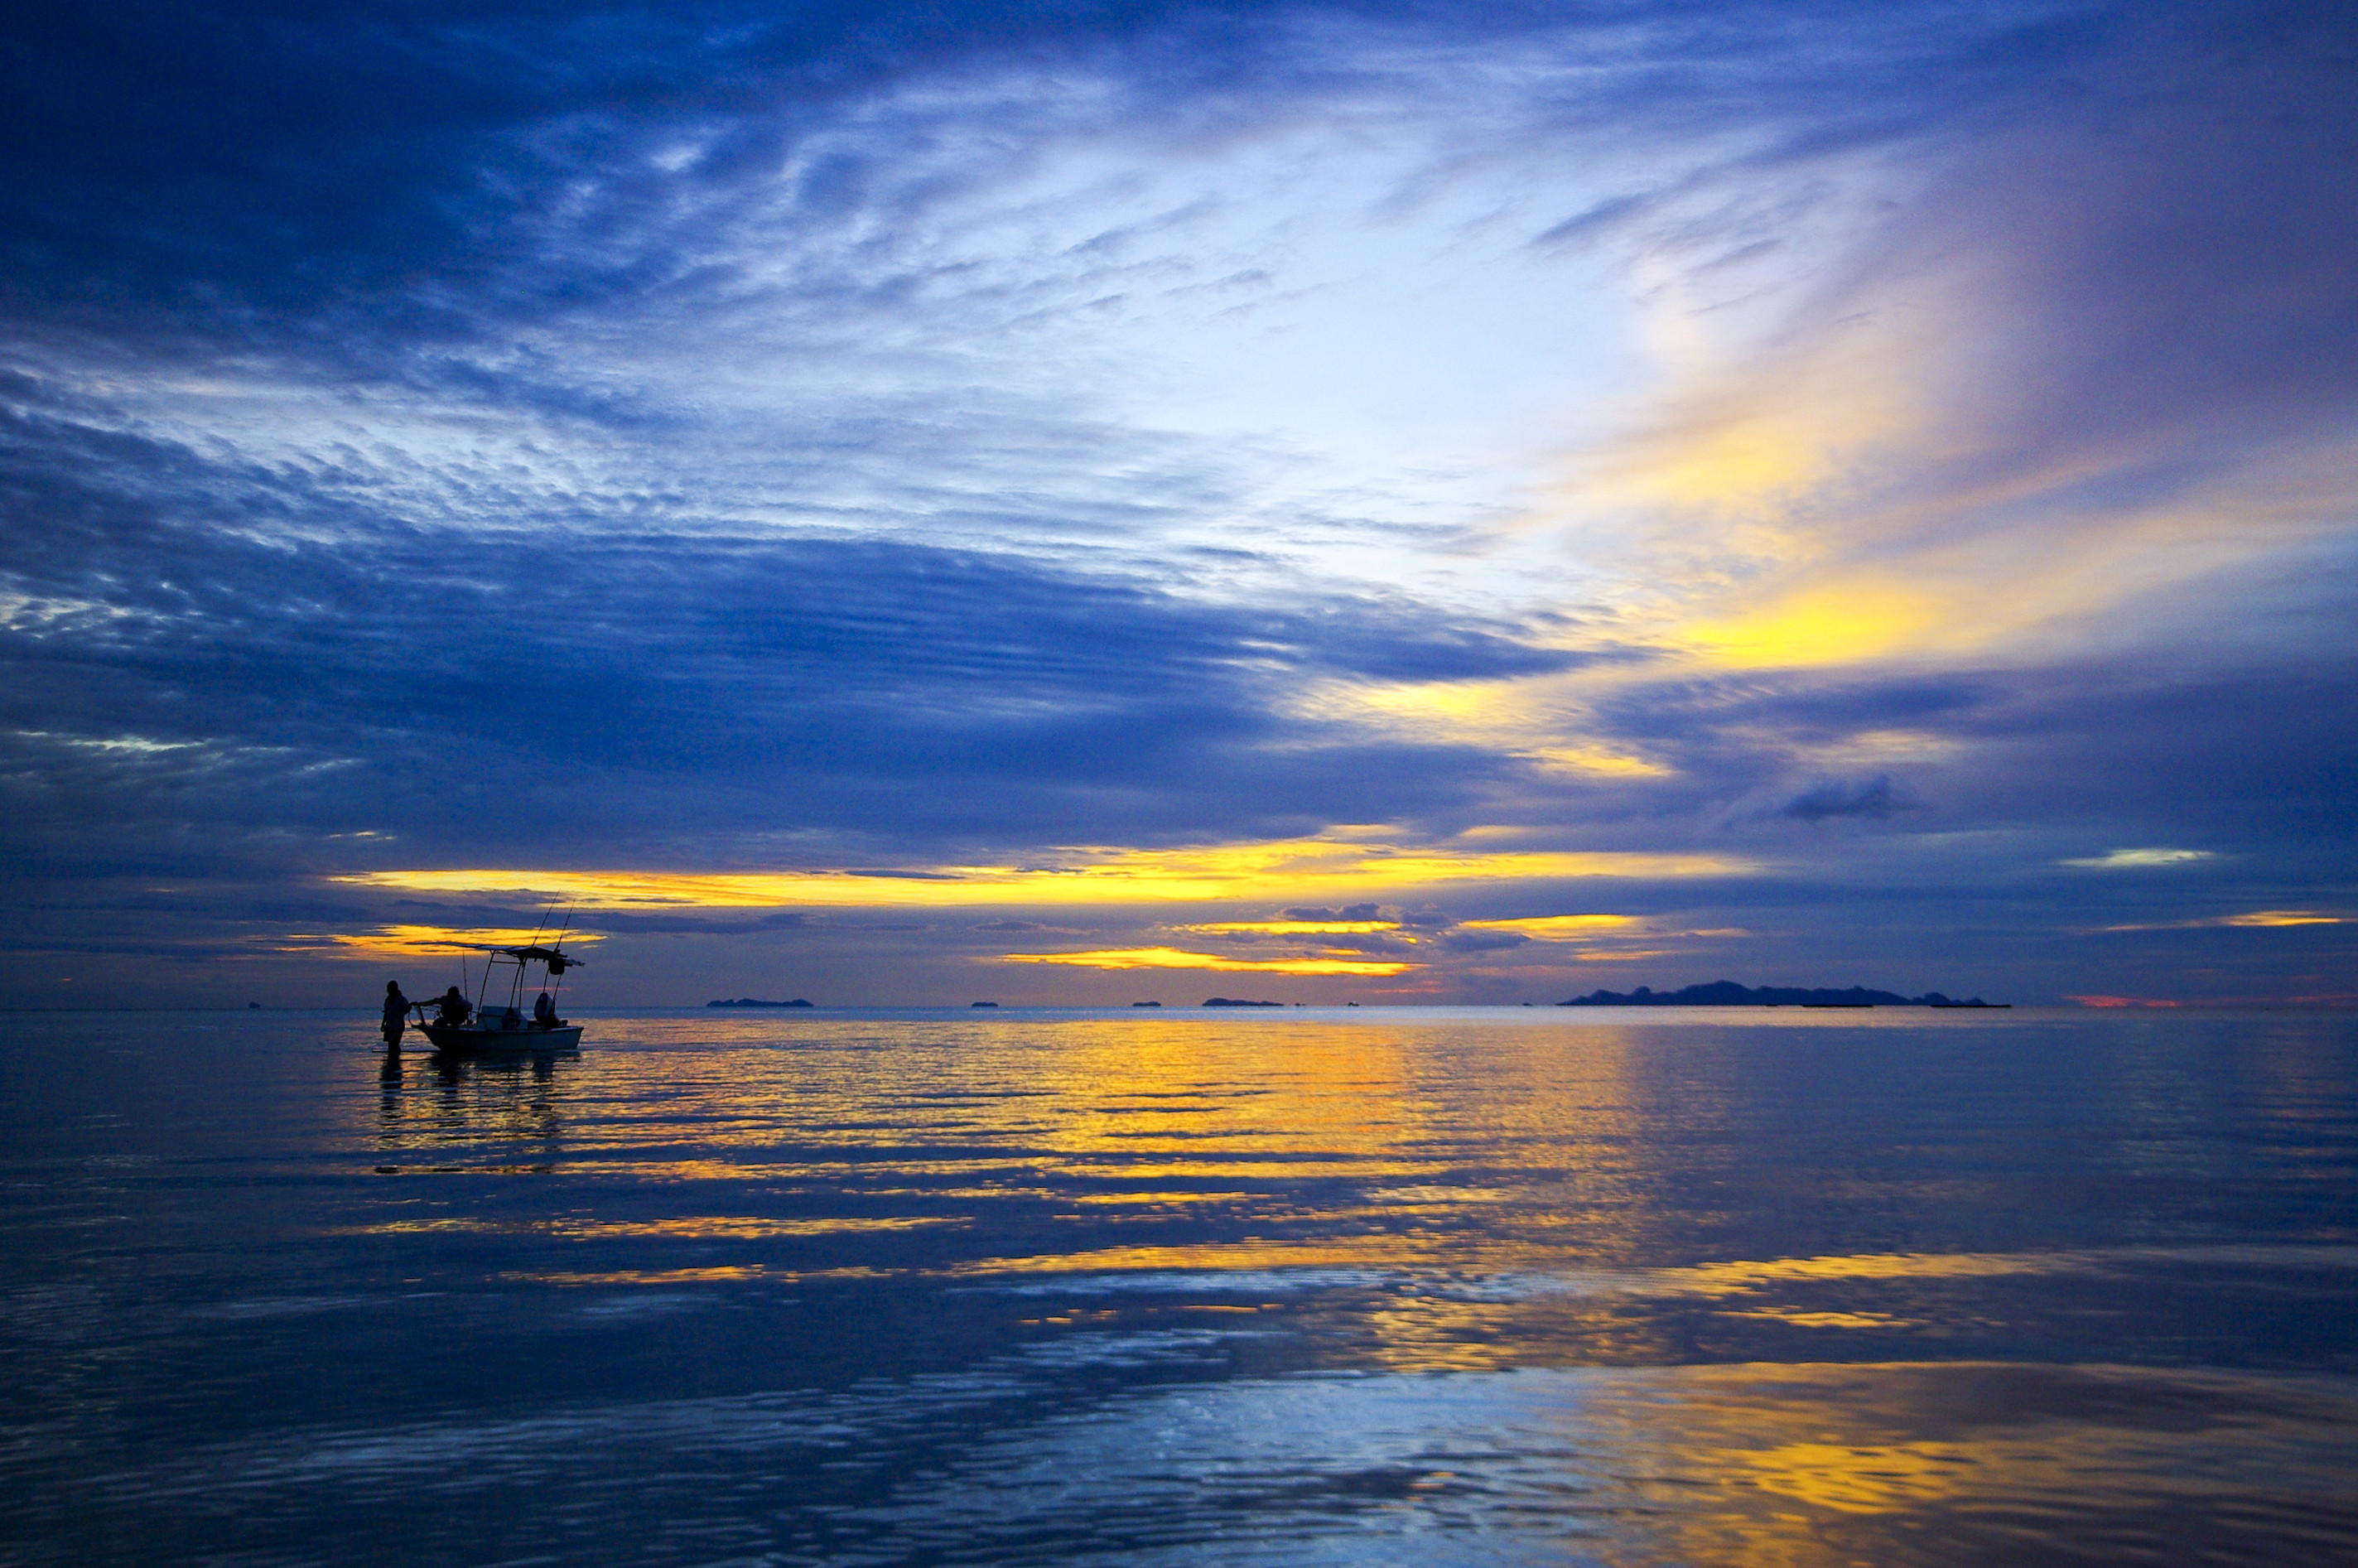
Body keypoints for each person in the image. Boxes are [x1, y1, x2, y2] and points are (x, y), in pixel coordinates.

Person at [381, 981, 410, 1050]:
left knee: (394, 1043)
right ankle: (393, 1059)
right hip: (389, 1026)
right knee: (391, 1045)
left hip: (398, 1026)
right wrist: (383, 1024)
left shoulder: (401, 999)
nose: (388, 991)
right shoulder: (388, 1000)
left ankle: (396, 1058)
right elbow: (386, 1013)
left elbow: (406, 1011)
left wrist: (409, 1007)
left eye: (389, 989)